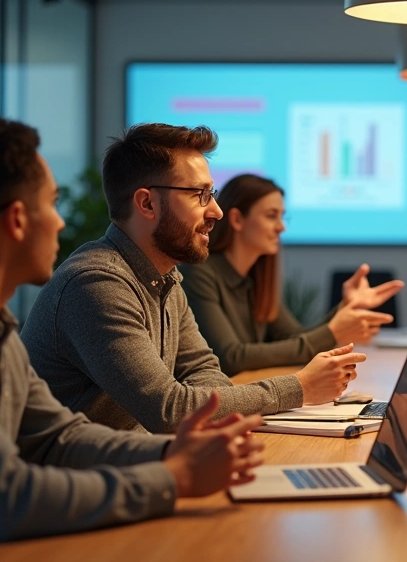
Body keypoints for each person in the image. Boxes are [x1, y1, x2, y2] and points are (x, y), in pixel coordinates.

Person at [0, 117, 266, 561]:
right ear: (17, 220)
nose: (61, 224)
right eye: (53, 203)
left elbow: (57, 437)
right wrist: (174, 478)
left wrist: (175, 454)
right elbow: (3, 497)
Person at [23, 123, 365, 433]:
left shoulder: (165, 277)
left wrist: (205, 405)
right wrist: (299, 388)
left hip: (128, 469)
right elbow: (169, 410)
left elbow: (205, 369)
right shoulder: (97, 284)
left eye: (211, 194)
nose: (215, 211)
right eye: (200, 195)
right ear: (147, 204)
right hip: (78, 488)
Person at [179, 174, 401, 376]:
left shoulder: (255, 276)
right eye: (271, 216)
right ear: (237, 219)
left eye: (282, 216)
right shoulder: (199, 273)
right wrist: (334, 330)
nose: (281, 227)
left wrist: (345, 308)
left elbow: (293, 337)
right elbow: (230, 357)